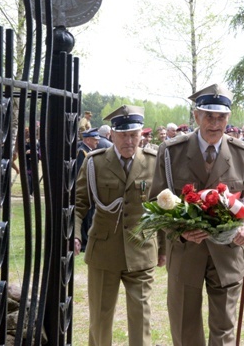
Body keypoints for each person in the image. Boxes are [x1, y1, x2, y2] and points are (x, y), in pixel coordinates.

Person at [149, 83, 244, 346]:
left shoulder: (243, 153)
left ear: (228, 119)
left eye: (221, 117)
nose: (215, 123)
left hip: (228, 254)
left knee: (224, 332)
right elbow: (155, 201)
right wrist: (180, 231)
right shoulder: (171, 152)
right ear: (196, 116)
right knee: (185, 330)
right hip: (186, 253)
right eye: (209, 115)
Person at [74, 105, 164, 346]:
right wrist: (75, 234)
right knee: (100, 319)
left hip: (142, 249)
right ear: (111, 135)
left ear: (141, 135)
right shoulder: (95, 163)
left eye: (134, 134)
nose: (129, 140)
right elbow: (79, 203)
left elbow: (162, 208)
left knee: (141, 317)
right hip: (104, 251)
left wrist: (164, 249)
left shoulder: (154, 162)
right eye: (123, 135)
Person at [76, 127, 100, 252]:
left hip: (92, 188)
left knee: (90, 215)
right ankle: (84, 242)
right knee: (85, 216)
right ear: (88, 139)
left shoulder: (88, 151)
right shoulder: (82, 152)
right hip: (86, 188)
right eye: (95, 140)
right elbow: (81, 173)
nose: (97, 142)